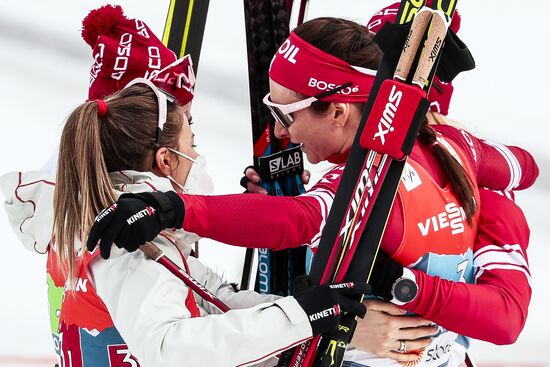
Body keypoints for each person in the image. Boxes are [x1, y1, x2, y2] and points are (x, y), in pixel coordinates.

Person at [86, 14, 539, 367]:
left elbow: (298, 221)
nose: (281, 133)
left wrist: (172, 207)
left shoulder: (366, 181)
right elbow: (524, 166)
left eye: (286, 116)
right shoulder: (455, 148)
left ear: (338, 111)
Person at [2, 6, 368, 367]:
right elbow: (171, 350)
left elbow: (212, 300)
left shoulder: (87, 212)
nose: (198, 157)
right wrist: (300, 316)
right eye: (193, 143)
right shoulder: (130, 243)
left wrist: (309, 317)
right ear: (164, 160)